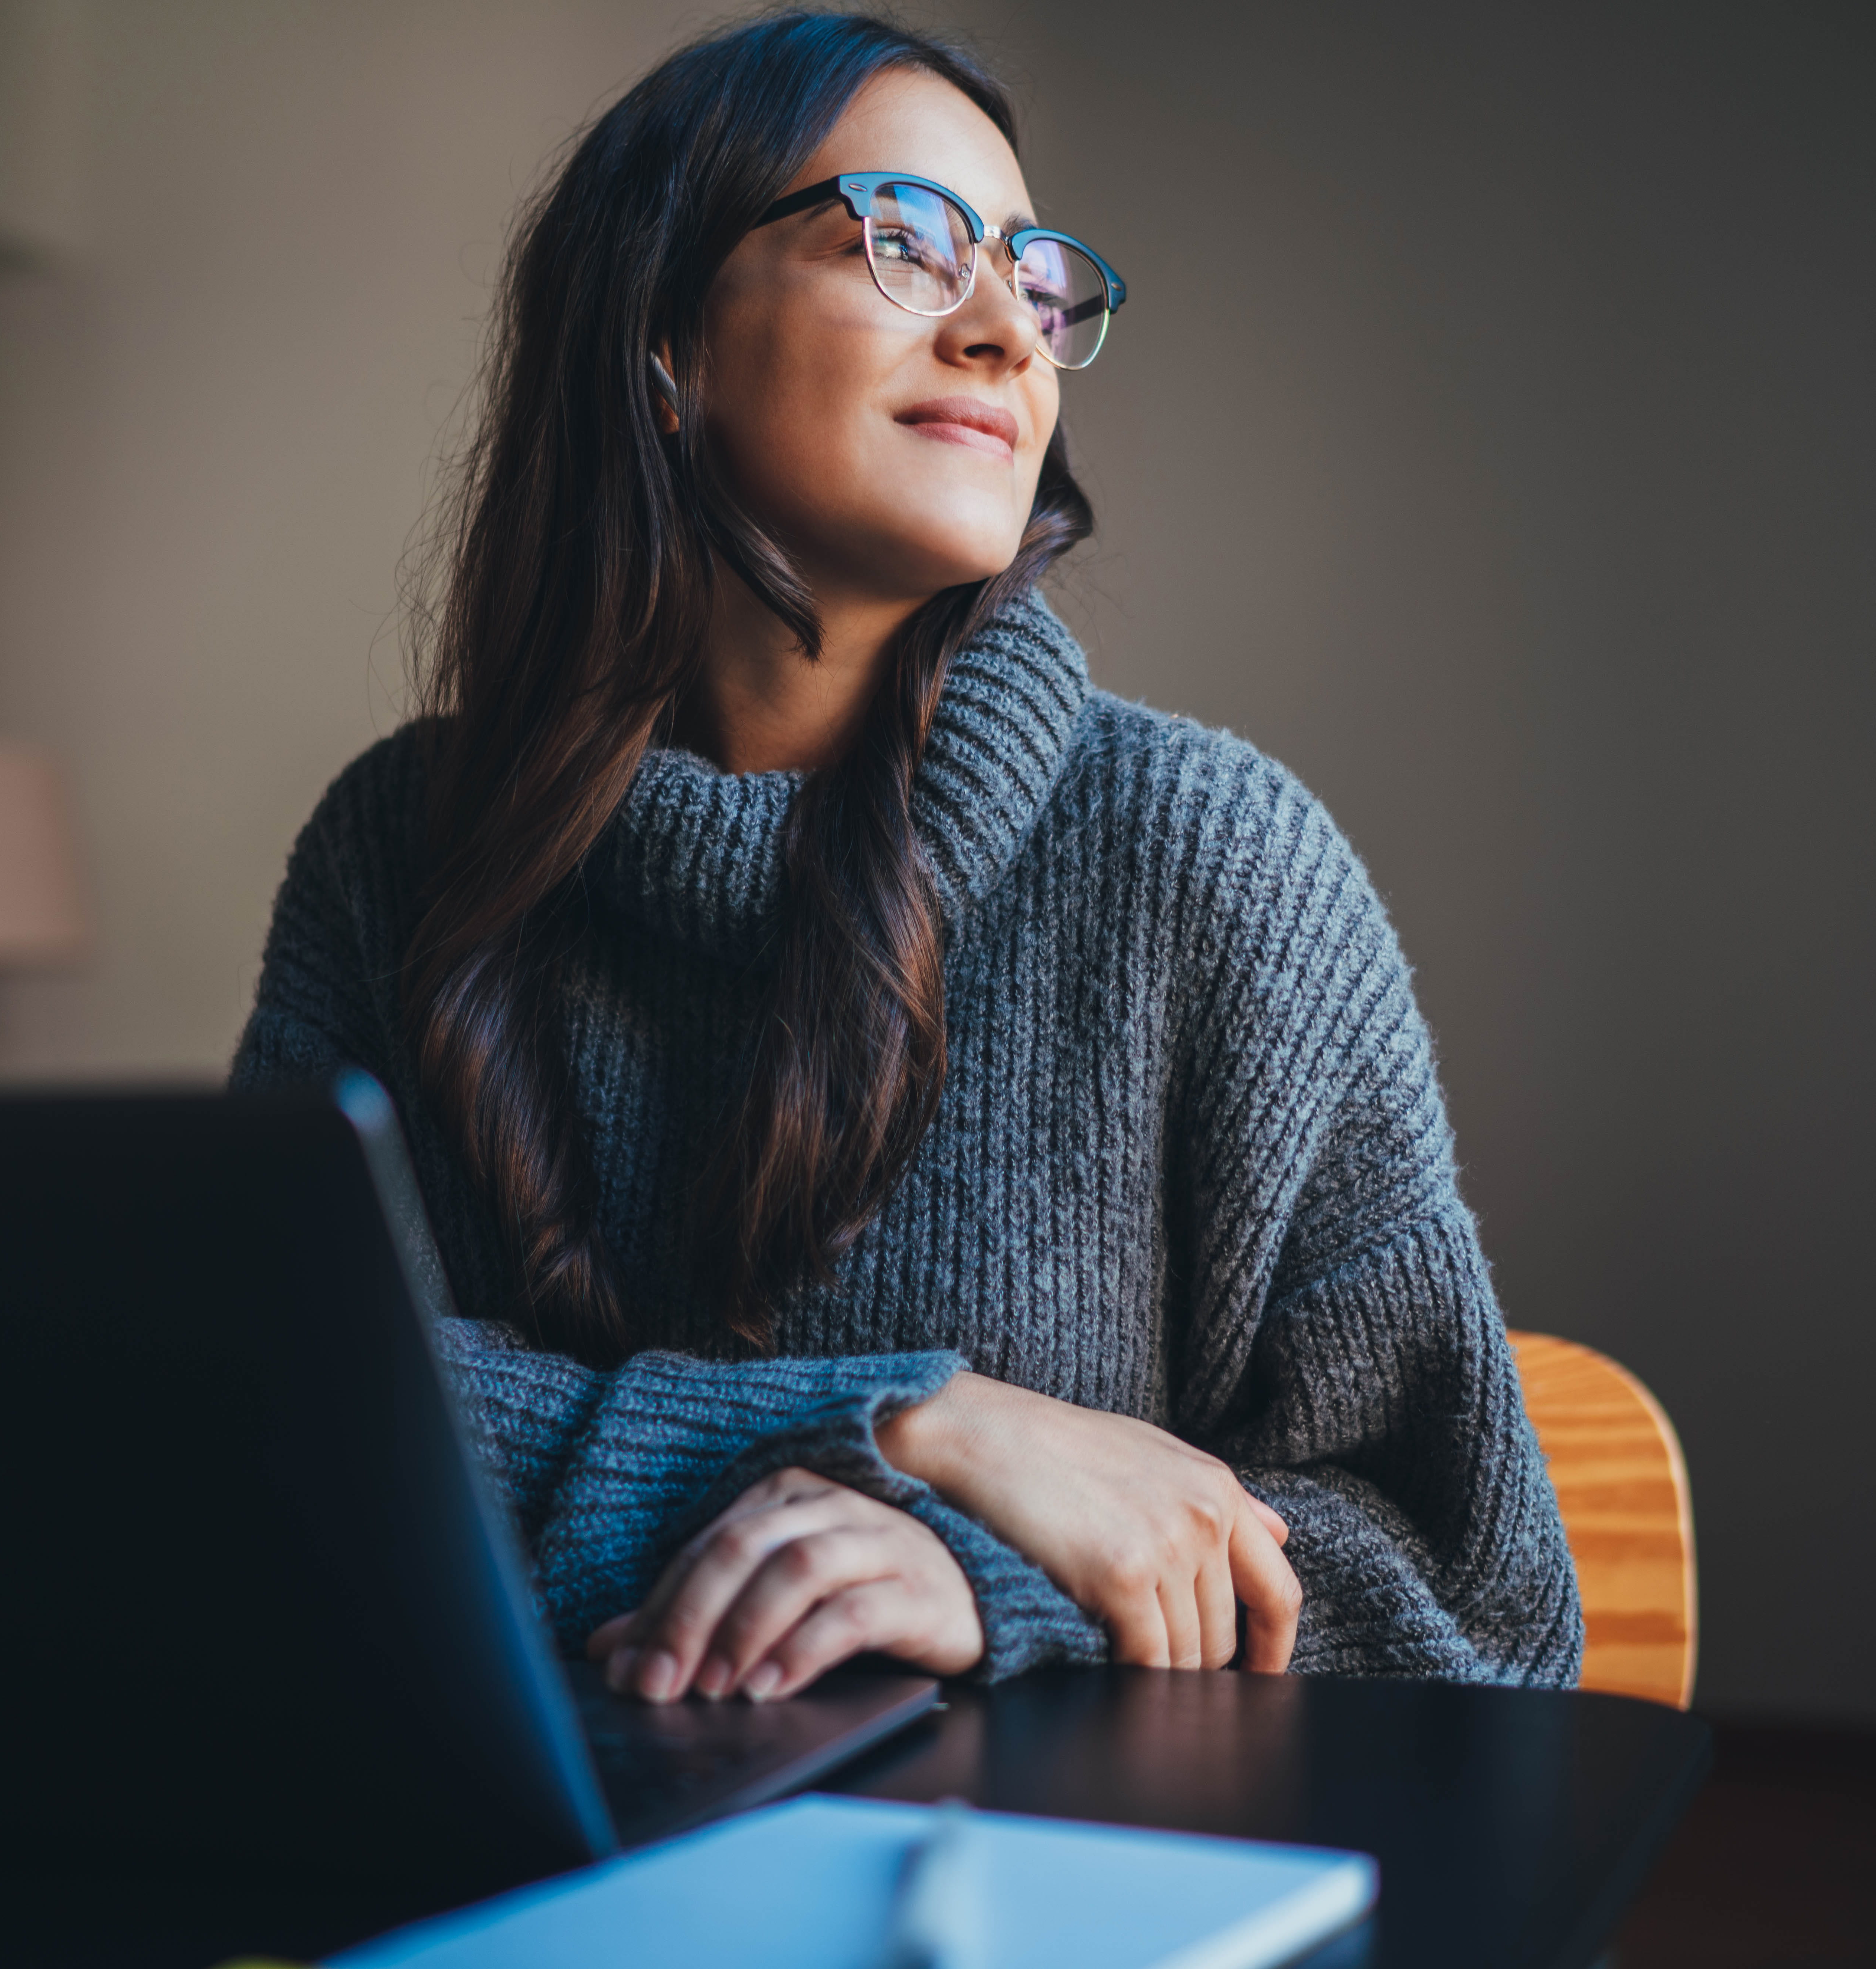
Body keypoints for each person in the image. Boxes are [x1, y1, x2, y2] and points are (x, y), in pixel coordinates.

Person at [232, 11, 1580, 1704]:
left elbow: (1472, 1598)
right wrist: (921, 1427)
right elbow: (263, 1418)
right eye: (904, 240)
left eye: (1032, 279)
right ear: (664, 340)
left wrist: (995, 1576)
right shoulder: (398, 853)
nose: (1005, 332)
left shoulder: (1209, 865)